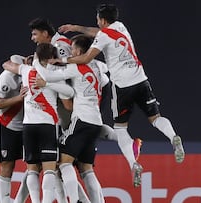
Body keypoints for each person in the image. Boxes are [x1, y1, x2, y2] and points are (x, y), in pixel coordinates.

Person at [54, 3, 186, 187]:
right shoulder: (121, 26)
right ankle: (173, 137)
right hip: (141, 79)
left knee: (121, 128)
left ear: (102, 19)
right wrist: (76, 28)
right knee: (156, 118)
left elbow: (85, 58)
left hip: (123, 86)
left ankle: (133, 164)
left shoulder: (103, 36)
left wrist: (62, 61)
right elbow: (97, 33)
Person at [33, 36, 108, 203]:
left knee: (64, 163)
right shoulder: (96, 66)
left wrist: (37, 61)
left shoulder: (76, 67)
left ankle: (73, 201)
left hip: (81, 120)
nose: (71, 52)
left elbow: (47, 75)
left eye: (73, 49)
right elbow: (107, 79)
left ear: (80, 52)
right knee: (86, 169)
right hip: (96, 121)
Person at [3, 43, 75, 203]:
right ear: (52, 57)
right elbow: (69, 100)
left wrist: (30, 62)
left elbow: (6, 64)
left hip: (28, 126)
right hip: (48, 125)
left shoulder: (25, 70)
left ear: (36, 56)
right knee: (49, 170)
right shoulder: (56, 74)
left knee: (32, 169)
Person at [0, 55, 28, 203]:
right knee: (7, 164)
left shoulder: (31, 74)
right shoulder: (7, 78)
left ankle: (19, 201)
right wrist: (19, 98)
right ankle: (5, 201)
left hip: (27, 124)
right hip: (7, 124)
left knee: (35, 164)